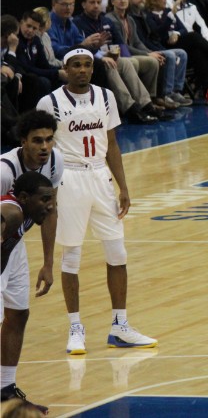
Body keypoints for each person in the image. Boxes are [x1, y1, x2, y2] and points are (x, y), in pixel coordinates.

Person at [36, 48, 158, 355]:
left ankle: (120, 326)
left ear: (93, 69)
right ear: (65, 69)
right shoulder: (49, 102)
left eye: (87, 65)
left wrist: (123, 186)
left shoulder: (106, 97)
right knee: (72, 256)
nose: (82, 70)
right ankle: (76, 327)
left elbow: (112, 145)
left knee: (117, 252)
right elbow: (39, 148)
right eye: (75, 65)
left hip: (101, 177)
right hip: (69, 180)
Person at [1, 112, 63, 415]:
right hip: (4, 241)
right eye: (37, 140)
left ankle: (5, 389)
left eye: (49, 139)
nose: (45, 146)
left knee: (18, 313)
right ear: (22, 141)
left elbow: (50, 209)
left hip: (13, 245)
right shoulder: (4, 172)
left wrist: (49, 262)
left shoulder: (54, 162)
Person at [125, 0, 194, 108]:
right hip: (141, 50)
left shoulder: (142, 14)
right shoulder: (137, 15)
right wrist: (149, 52)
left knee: (181, 53)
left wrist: (175, 34)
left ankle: (176, 91)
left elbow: (151, 37)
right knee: (170, 55)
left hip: (151, 46)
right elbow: (146, 38)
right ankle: (165, 94)